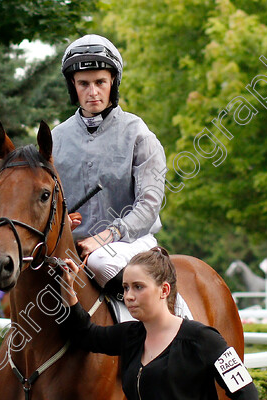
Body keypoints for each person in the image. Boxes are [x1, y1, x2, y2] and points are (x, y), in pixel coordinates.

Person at [58, 247, 259, 400]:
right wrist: (70, 291)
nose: (129, 296)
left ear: (164, 290)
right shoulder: (129, 336)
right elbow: (87, 335)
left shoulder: (203, 338)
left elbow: (247, 392)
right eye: (125, 288)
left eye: (138, 287)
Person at [52, 34, 183, 314]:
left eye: (100, 82)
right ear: (72, 87)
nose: (93, 92)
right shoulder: (56, 138)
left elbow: (149, 206)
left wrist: (106, 236)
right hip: (73, 247)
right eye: (83, 84)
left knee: (101, 262)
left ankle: (170, 324)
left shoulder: (138, 133)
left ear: (113, 83)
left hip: (130, 243)